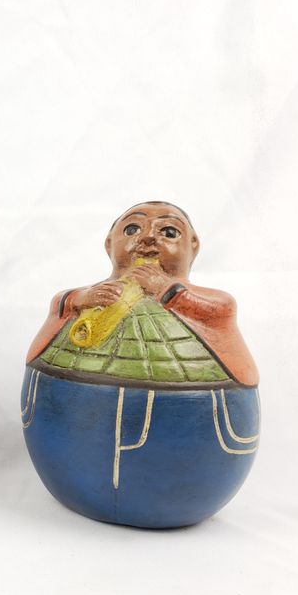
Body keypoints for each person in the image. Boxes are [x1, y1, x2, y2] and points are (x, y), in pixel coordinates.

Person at [22, 201, 260, 527]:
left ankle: (176, 500)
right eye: (132, 229)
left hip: (184, 437)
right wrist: (82, 299)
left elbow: (216, 311)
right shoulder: (84, 297)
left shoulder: (215, 302)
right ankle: (79, 484)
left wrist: (166, 290)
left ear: (193, 247)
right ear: (109, 243)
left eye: (169, 232)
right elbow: (61, 306)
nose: (148, 239)